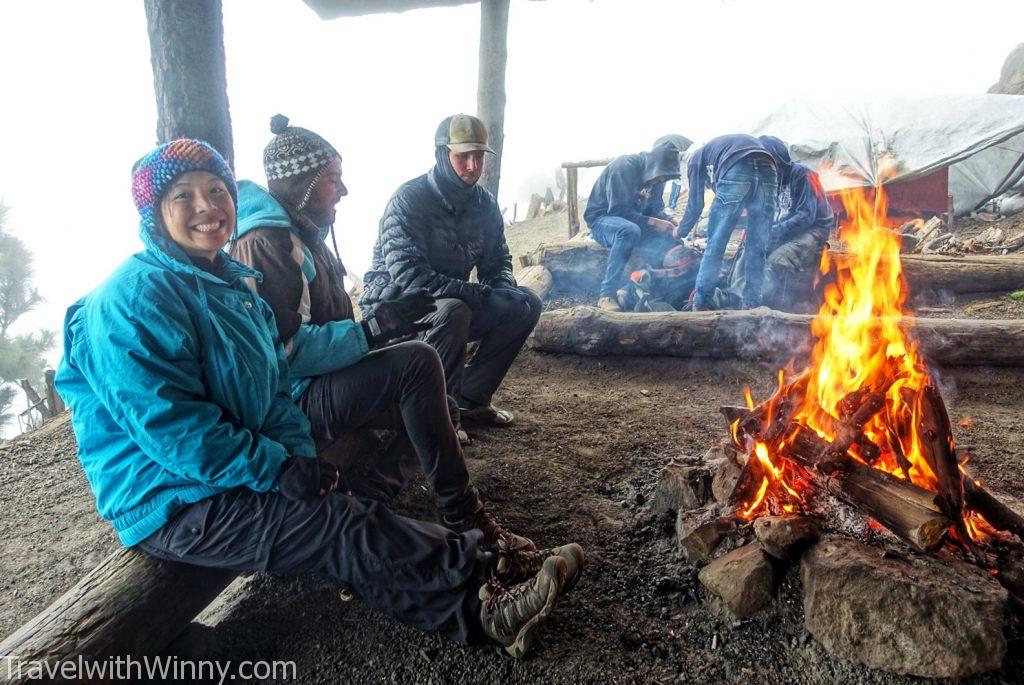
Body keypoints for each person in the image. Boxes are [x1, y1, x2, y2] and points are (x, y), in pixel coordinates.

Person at [55, 139, 584, 658]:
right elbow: (175, 430)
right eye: (184, 197)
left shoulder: (224, 285)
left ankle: (478, 611)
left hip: (221, 466)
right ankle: (482, 579)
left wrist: (299, 454)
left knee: (341, 515)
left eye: (217, 190)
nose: (208, 207)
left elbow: (271, 387)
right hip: (171, 497)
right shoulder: (133, 300)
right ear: (153, 213)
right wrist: (276, 468)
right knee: (336, 523)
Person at [231, 115, 521, 542]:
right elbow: (287, 352)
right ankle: (461, 510)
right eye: (333, 179)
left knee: (443, 405)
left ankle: (368, 502)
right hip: (293, 397)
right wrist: (372, 329)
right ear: (304, 185)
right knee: (418, 363)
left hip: (325, 379)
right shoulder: (268, 244)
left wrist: (371, 333)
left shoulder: (302, 232)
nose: (343, 190)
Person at [360, 114, 540, 427]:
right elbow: (408, 276)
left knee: (526, 304)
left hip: (451, 304)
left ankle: (471, 400)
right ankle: (440, 416)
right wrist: (476, 293)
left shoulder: (484, 204)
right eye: (462, 157)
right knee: (454, 311)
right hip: (396, 311)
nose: (472, 166)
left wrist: (504, 288)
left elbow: (497, 260)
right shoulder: (409, 200)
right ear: (443, 154)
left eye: (479, 156)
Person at [727, 135, 833, 311]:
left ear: (779, 161)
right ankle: (733, 297)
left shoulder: (804, 175)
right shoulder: (766, 180)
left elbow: (806, 216)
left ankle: (744, 302)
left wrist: (774, 233)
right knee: (748, 255)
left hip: (812, 231)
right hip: (782, 231)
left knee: (776, 261)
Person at [674, 134, 778, 310]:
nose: (707, 186)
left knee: (715, 246)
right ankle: (751, 305)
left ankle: (701, 305)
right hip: (769, 166)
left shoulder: (694, 160)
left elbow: (695, 205)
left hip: (738, 164)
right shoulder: (718, 152)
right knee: (757, 248)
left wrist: (680, 231)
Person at [583, 142, 682, 311]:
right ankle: (606, 294)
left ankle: (632, 288)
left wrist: (673, 224)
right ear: (653, 165)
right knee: (629, 231)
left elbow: (655, 210)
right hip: (604, 220)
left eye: (665, 177)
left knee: (668, 238)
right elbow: (618, 211)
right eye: (661, 175)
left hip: (633, 222)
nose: (661, 180)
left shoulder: (657, 179)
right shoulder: (624, 167)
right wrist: (655, 222)